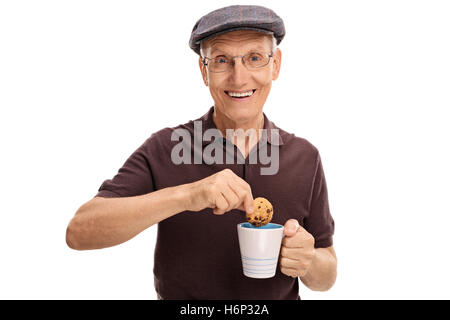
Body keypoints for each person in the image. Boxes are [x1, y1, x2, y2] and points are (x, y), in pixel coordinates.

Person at [66, 5, 337, 300]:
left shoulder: (305, 157)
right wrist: (189, 195)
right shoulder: (167, 147)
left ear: (276, 65)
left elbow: (327, 273)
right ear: (203, 71)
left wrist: (307, 260)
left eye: (255, 58)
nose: (239, 78)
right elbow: (79, 232)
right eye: (221, 60)